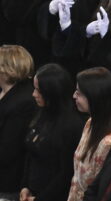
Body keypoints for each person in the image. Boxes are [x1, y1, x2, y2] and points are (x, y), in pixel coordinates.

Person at [21, 63, 84, 201]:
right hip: (32, 191)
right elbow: (31, 154)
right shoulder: (41, 113)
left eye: (38, 90)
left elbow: (65, 173)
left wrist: (40, 199)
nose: (33, 94)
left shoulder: (71, 125)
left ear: (51, 92)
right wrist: (25, 186)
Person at [68, 67, 111, 201]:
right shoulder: (90, 122)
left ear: (95, 97)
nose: (74, 96)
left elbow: (100, 188)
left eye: (79, 93)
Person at [0, 45, 35, 200]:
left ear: (6, 70)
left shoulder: (23, 101)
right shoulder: (6, 91)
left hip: (7, 180)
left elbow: (9, 149)